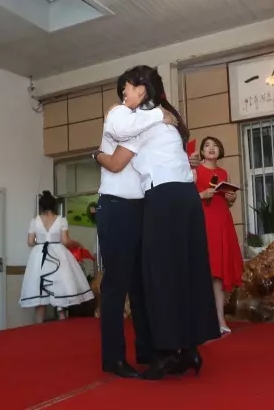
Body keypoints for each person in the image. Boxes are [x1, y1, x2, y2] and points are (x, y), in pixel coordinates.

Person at [93, 65, 220, 380]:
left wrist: (96, 155)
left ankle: (163, 352)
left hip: (156, 202)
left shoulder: (145, 120)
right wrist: (97, 154)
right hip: (138, 203)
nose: (123, 95)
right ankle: (161, 351)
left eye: (127, 88)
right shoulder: (150, 118)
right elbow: (117, 138)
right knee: (167, 275)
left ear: (142, 90)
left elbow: (118, 156)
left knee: (155, 279)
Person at [19, 191, 94, 323]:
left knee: (40, 291)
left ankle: (39, 326)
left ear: (41, 206)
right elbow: (65, 241)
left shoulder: (35, 221)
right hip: (58, 254)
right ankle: (62, 323)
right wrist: (77, 243)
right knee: (60, 289)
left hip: (40, 255)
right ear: (54, 205)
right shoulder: (61, 220)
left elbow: (30, 242)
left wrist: (41, 243)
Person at [194, 136, 243, 334]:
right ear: (201, 152)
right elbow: (186, 198)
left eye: (215, 145)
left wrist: (232, 197)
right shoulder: (195, 171)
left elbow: (227, 201)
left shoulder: (223, 173)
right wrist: (201, 195)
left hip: (222, 223)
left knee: (219, 275)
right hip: (203, 223)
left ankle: (221, 320)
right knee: (203, 270)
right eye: (207, 145)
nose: (211, 148)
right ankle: (201, 320)